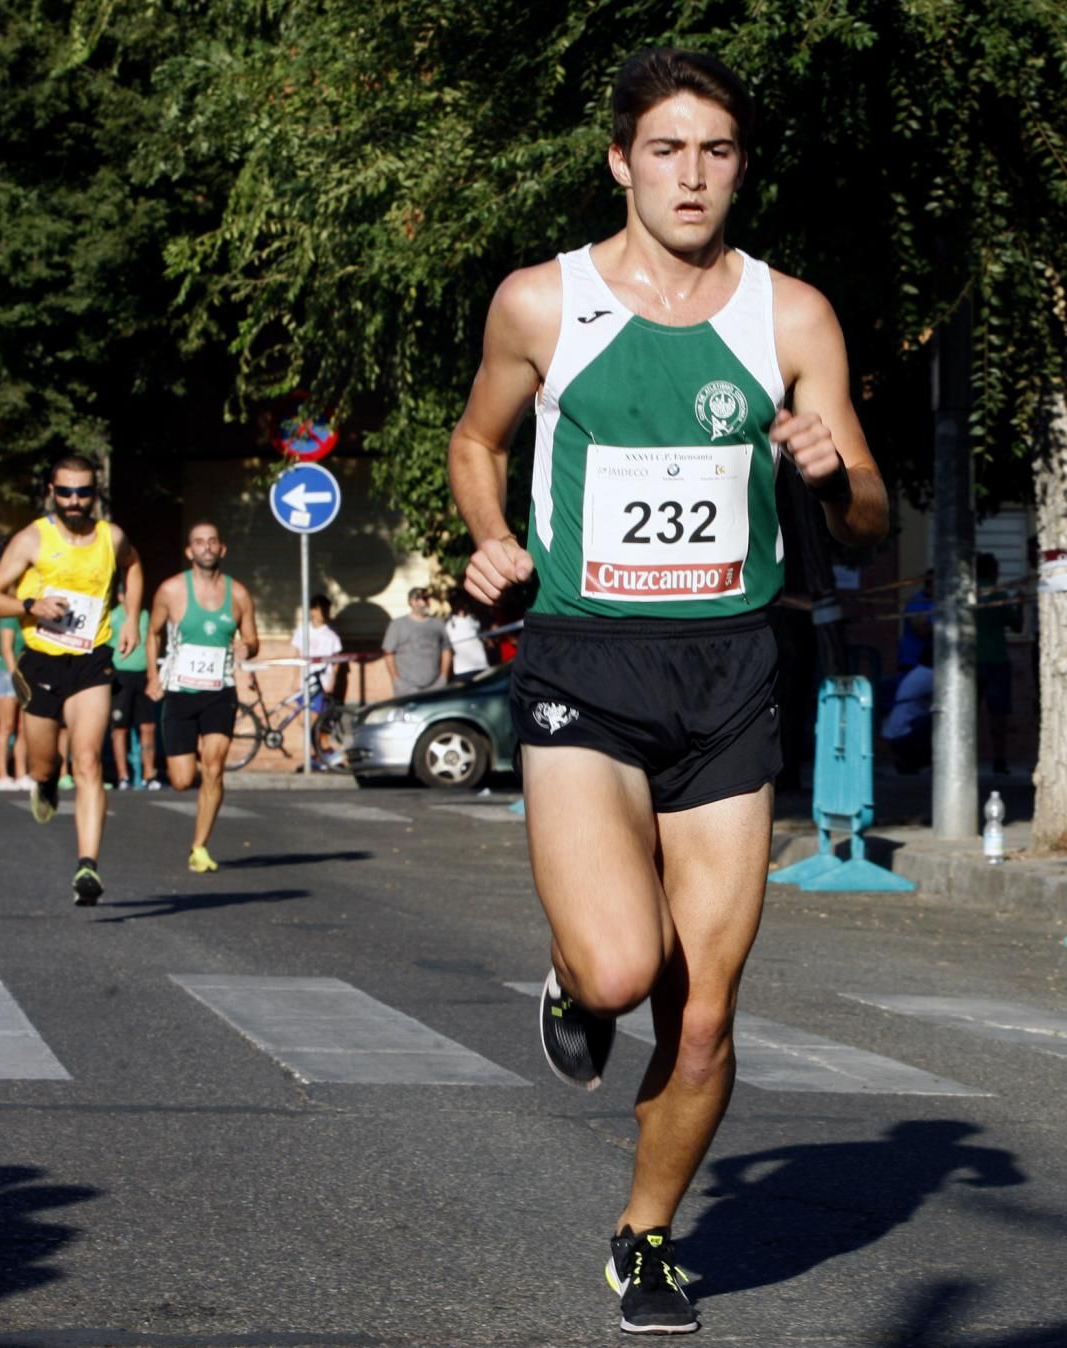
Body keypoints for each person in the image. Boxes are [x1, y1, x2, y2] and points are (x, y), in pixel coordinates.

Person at [447, 48, 889, 1336]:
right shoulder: (544, 302)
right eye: (667, 150)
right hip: (587, 660)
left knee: (703, 1018)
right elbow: (479, 441)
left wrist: (827, 468)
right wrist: (487, 534)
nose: (693, 176)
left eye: (718, 152)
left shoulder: (791, 316)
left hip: (735, 670)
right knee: (626, 963)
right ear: (621, 161)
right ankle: (575, 979)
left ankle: (646, 1237)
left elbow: (866, 516)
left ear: (741, 166)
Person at [0, 454, 143, 905]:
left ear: (95, 492)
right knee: (44, 763)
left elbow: (133, 565)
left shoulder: (112, 537)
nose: (74, 500)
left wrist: (131, 622)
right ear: (52, 490)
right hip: (43, 663)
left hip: (92, 660)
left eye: (83, 492)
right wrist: (30, 605)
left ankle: (87, 865)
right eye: (65, 491)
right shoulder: (32, 538)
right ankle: (45, 782)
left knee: (88, 761)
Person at [145, 520, 259, 873]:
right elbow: (153, 634)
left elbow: (253, 640)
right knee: (181, 779)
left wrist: (247, 648)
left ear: (222, 548)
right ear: (189, 551)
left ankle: (200, 847)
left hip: (219, 691)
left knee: (214, 768)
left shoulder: (238, 594)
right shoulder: (171, 590)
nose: (206, 547)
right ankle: (197, 788)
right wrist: (153, 676)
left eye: (212, 541)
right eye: (199, 542)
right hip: (179, 692)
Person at [108, 583, 160, 790]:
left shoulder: (145, 615)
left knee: (148, 727)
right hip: (120, 676)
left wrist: (153, 673)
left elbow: (153, 641)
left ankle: (149, 774)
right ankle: (123, 776)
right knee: (119, 727)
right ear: (120, 596)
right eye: (125, 594)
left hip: (142, 675)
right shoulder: (112, 617)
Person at [975, 551, 1022, 775]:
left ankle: (965, 757)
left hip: (970, 661)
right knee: (998, 714)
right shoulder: (999, 594)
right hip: (996, 659)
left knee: (967, 712)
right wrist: (1019, 604)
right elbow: (1017, 626)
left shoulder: (967, 594)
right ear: (993, 571)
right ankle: (999, 760)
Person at [291, 594, 342, 768]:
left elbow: (336, 662)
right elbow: (297, 655)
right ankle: (321, 752)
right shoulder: (302, 630)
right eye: (322, 609)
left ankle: (321, 753)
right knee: (301, 720)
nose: (325, 613)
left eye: (327, 609)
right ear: (312, 610)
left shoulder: (331, 635)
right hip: (304, 681)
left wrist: (332, 681)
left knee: (314, 720)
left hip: (320, 682)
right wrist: (294, 678)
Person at [381, 587, 451, 696]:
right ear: (412, 602)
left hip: (435, 687)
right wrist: (396, 681)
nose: (427, 602)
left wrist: (443, 677)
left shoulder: (438, 624)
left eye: (428, 598)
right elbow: (388, 653)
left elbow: (446, 649)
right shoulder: (397, 625)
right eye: (423, 598)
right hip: (407, 689)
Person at [0, 614, 31, 789]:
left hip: (25, 674)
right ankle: (2, 775)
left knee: (23, 727)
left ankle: (21, 773)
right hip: (8, 675)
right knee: (6, 726)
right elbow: (7, 649)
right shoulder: (8, 618)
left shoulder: (29, 617)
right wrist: (16, 677)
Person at [446, 588, 489, 677]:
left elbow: (484, 637)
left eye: (460, 600)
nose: (459, 604)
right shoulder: (448, 624)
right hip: (462, 670)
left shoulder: (474, 618)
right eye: (456, 601)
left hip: (481, 665)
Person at [897, 568, 934, 673]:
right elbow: (921, 629)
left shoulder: (941, 602)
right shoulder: (916, 601)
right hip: (912, 661)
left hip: (932, 663)